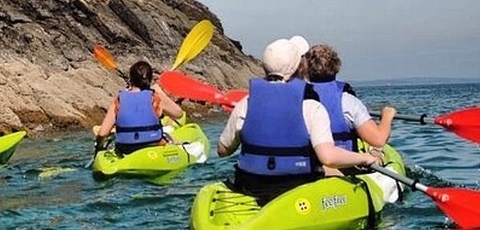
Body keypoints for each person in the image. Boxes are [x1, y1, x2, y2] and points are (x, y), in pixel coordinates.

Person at [217, 35, 379, 203]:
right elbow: (328, 158)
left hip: (250, 186)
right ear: (300, 67)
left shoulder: (246, 103)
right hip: (298, 190)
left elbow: (223, 151)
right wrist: (364, 158)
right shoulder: (312, 107)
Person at [301, 44, 396, 173]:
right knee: (377, 150)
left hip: (309, 167)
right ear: (336, 67)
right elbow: (378, 140)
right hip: (344, 168)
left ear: (305, 69)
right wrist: (387, 116)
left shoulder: (298, 98)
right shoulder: (348, 101)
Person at [95, 60, 186, 156]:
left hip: (125, 148)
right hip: (153, 144)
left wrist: (99, 148)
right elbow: (178, 114)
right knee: (172, 140)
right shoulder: (155, 96)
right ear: (149, 79)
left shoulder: (119, 99)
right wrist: (160, 92)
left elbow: (102, 133)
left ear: (131, 79)